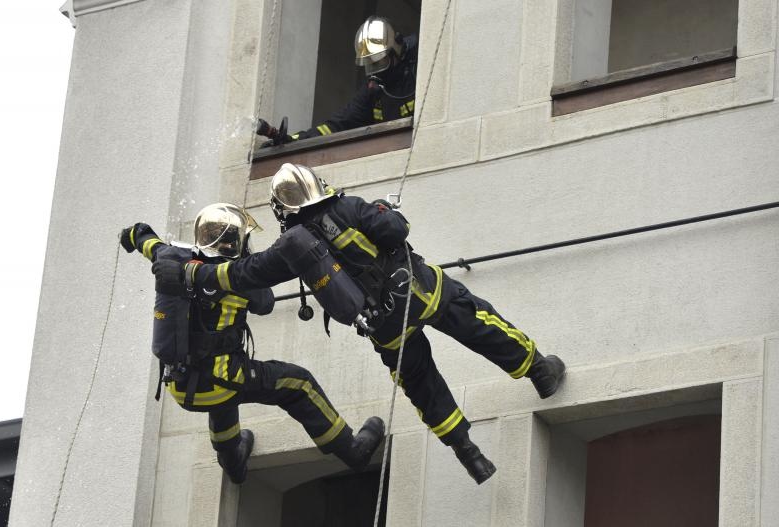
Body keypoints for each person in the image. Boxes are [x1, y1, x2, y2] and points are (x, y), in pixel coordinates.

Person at [152, 169, 566, 485]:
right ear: (318, 186)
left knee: (422, 385)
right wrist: (388, 211)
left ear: (283, 211)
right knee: (483, 327)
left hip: (385, 327)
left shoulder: (291, 249)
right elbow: (395, 230)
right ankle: (539, 373)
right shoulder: (346, 208)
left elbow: (248, 276)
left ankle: (469, 453)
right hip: (424, 293)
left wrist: (189, 272)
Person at [120, 203, 385, 484]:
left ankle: (232, 461)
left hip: (181, 385)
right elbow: (266, 303)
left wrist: (132, 235)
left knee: (222, 393)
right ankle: (352, 450)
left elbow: (147, 241)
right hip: (220, 382)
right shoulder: (232, 277)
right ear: (235, 243)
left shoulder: (171, 258)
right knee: (299, 385)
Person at [263, 16, 417, 146]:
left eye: (379, 63)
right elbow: (337, 125)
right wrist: (294, 140)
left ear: (395, 51)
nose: (376, 71)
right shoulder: (373, 89)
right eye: (370, 65)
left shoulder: (417, 69)